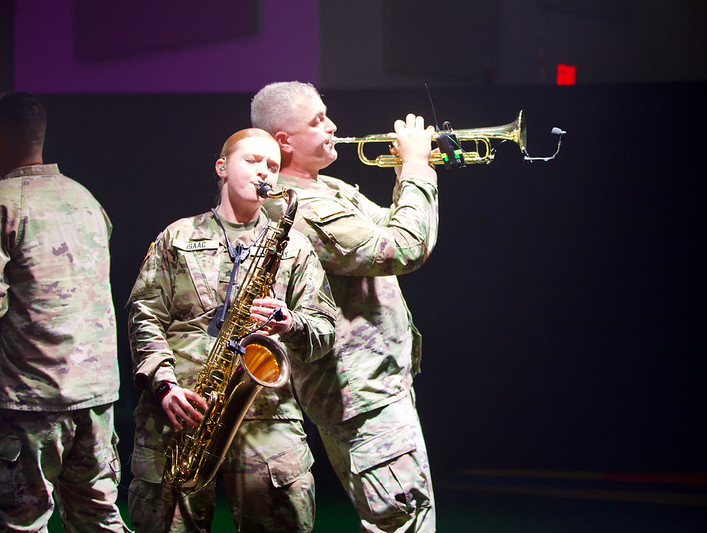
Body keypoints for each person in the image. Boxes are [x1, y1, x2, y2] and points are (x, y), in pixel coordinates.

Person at [125, 127, 336, 532]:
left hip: (266, 420)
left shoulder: (294, 248)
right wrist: (164, 386)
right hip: (181, 413)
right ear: (222, 167)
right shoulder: (177, 236)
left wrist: (290, 322)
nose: (265, 173)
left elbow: (325, 330)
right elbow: (143, 314)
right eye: (253, 161)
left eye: (273, 166)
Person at [251, 81, 438, 532]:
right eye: (317, 121)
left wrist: (409, 170)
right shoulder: (298, 205)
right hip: (361, 392)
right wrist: (415, 168)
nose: (333, 126)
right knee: (403, 522)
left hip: (375, 384)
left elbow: (395, 224)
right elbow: (403, 247)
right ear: (284, 141)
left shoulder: (326, 186)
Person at [0, 91, 130, 532]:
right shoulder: (85, 200)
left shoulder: (5, 203)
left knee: (22, 521)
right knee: (98, 518)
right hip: (95, 399)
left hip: (29, 404)